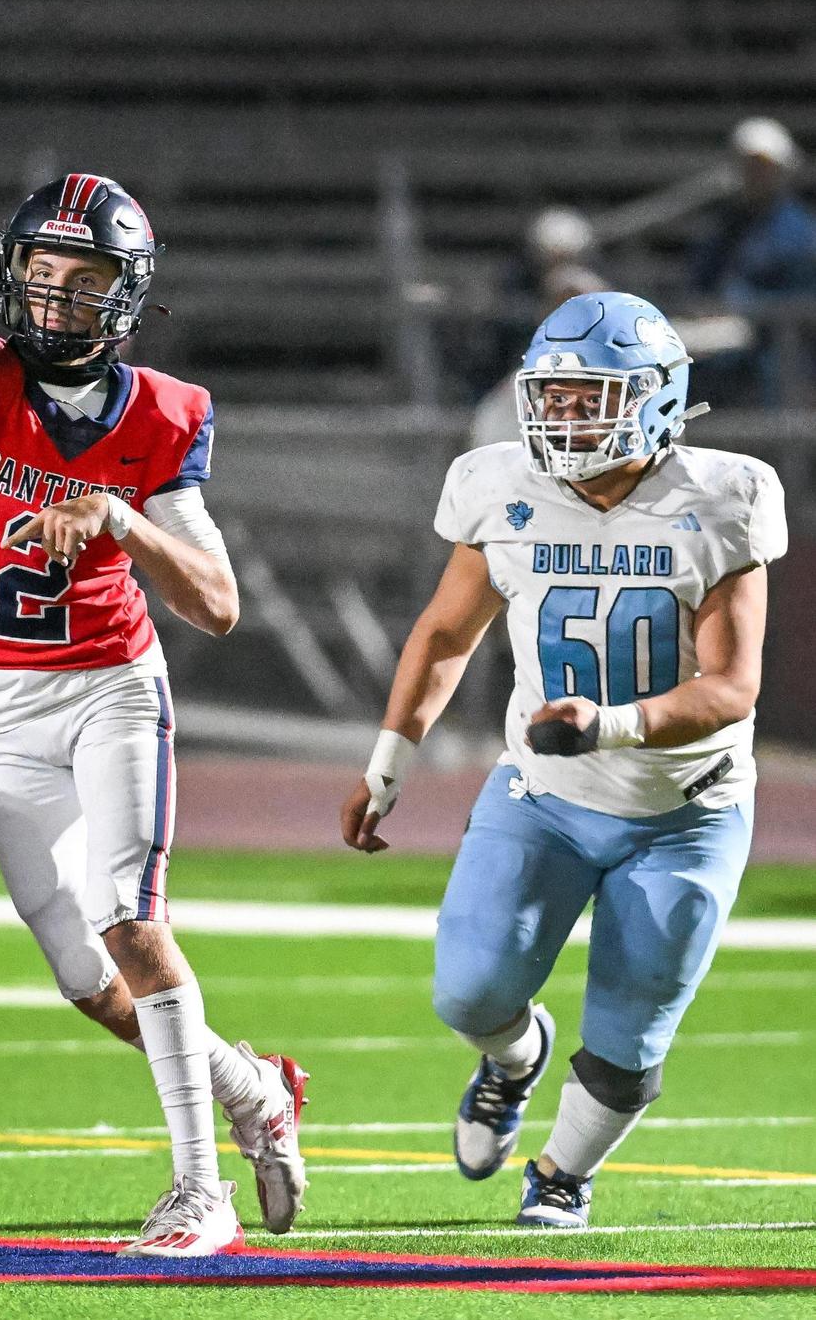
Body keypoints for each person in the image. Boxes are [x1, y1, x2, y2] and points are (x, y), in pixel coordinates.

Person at [0, 174, 307, 1257]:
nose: (54, 299)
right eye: (41, 275)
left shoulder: (164, 413)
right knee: (91, 985)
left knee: (133, 923)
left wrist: (124, 521)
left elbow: (219, 605)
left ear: (124, 296)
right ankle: (258, 1090)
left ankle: (201, 1193)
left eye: (82, 281)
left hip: (110, 688)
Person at [341, 291, 786, 1228]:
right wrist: (388, 762)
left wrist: (611, 725)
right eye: (556, 396)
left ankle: (562, 1176)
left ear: (659, 399)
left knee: (630, 1036)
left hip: (686, 806)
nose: (566, 416)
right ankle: (513, 1058)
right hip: (544, 791)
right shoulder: (500, 483)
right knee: (470, 989)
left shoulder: (724, 495)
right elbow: (445, 632)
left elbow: (731, 688)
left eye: (593, 398)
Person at [690, 117, 816, 406]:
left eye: (763, 167)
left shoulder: (798, 231)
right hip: (724, 347)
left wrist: (744, 310)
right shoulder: (726, 226)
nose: (755, 175)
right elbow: (701, 281)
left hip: (778, 352)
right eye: (748, 167)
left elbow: (800, 300)